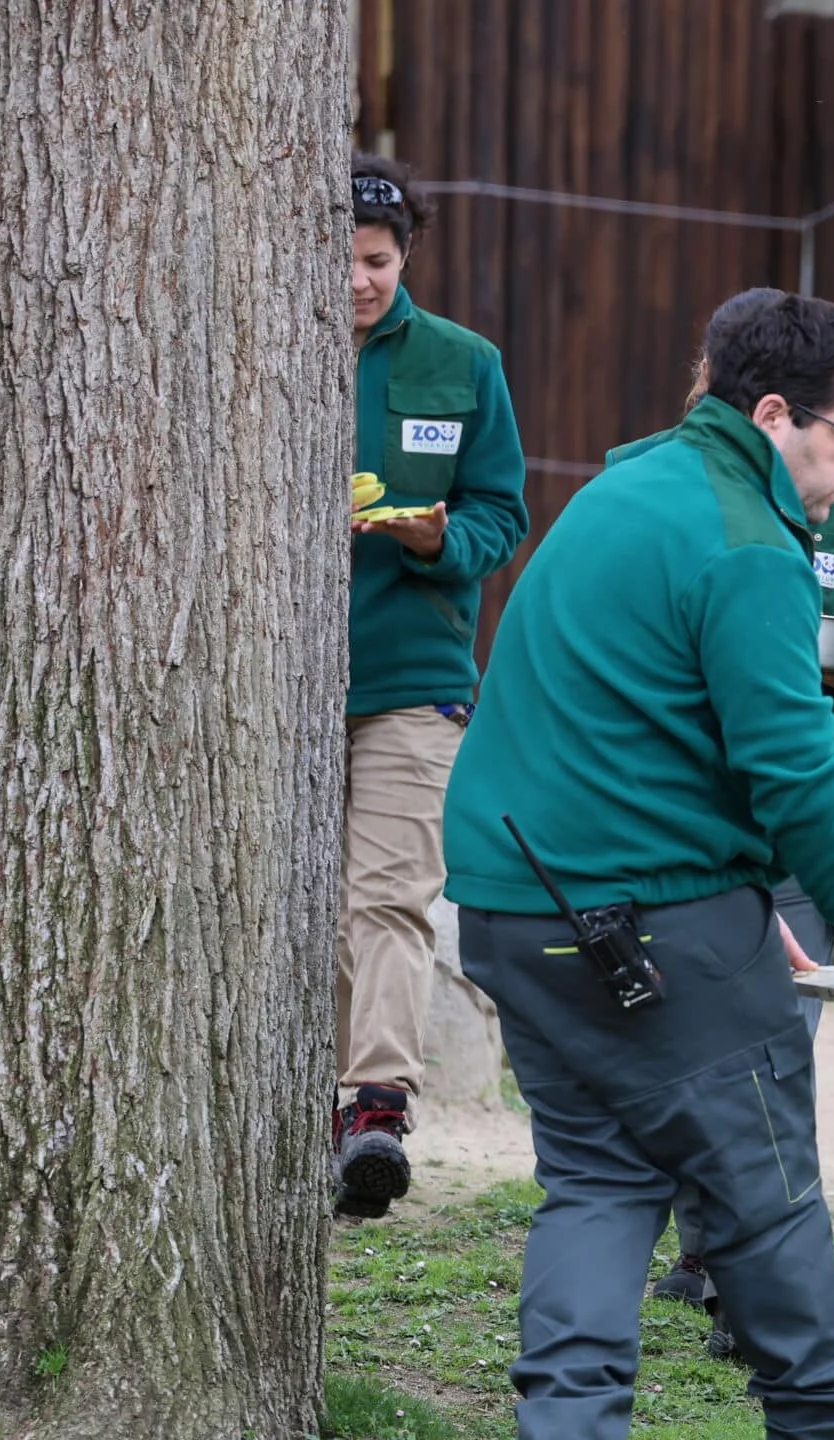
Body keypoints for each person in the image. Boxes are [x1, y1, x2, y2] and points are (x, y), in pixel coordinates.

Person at [442, 292, 834, 1440]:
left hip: (522, 910)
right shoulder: (746, 544)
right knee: (763, 1184)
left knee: (599, 1185)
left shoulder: (624, 493)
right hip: (639, 916)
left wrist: (728, 900)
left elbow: (647, 731)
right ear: (773, 417)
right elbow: (793, 768)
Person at [625, 289, 834, 1343]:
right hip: (699, 815)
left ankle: (743, 1275)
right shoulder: (658, 485)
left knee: (775, 1052)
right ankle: (707, 1250)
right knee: (685, 1044)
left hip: (807, 795)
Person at [334, 153, 530, 1220]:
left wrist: (434, 535)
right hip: (278, 686)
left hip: (415, 676)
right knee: (303, 909)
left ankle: (375, 1106)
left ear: (405, 255)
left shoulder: (464, 363)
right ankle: (309, 1102)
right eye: (341, 259)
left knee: (389, 896)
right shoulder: (259, 349)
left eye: (375, 259)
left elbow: (504, 515)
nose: (357, 279)